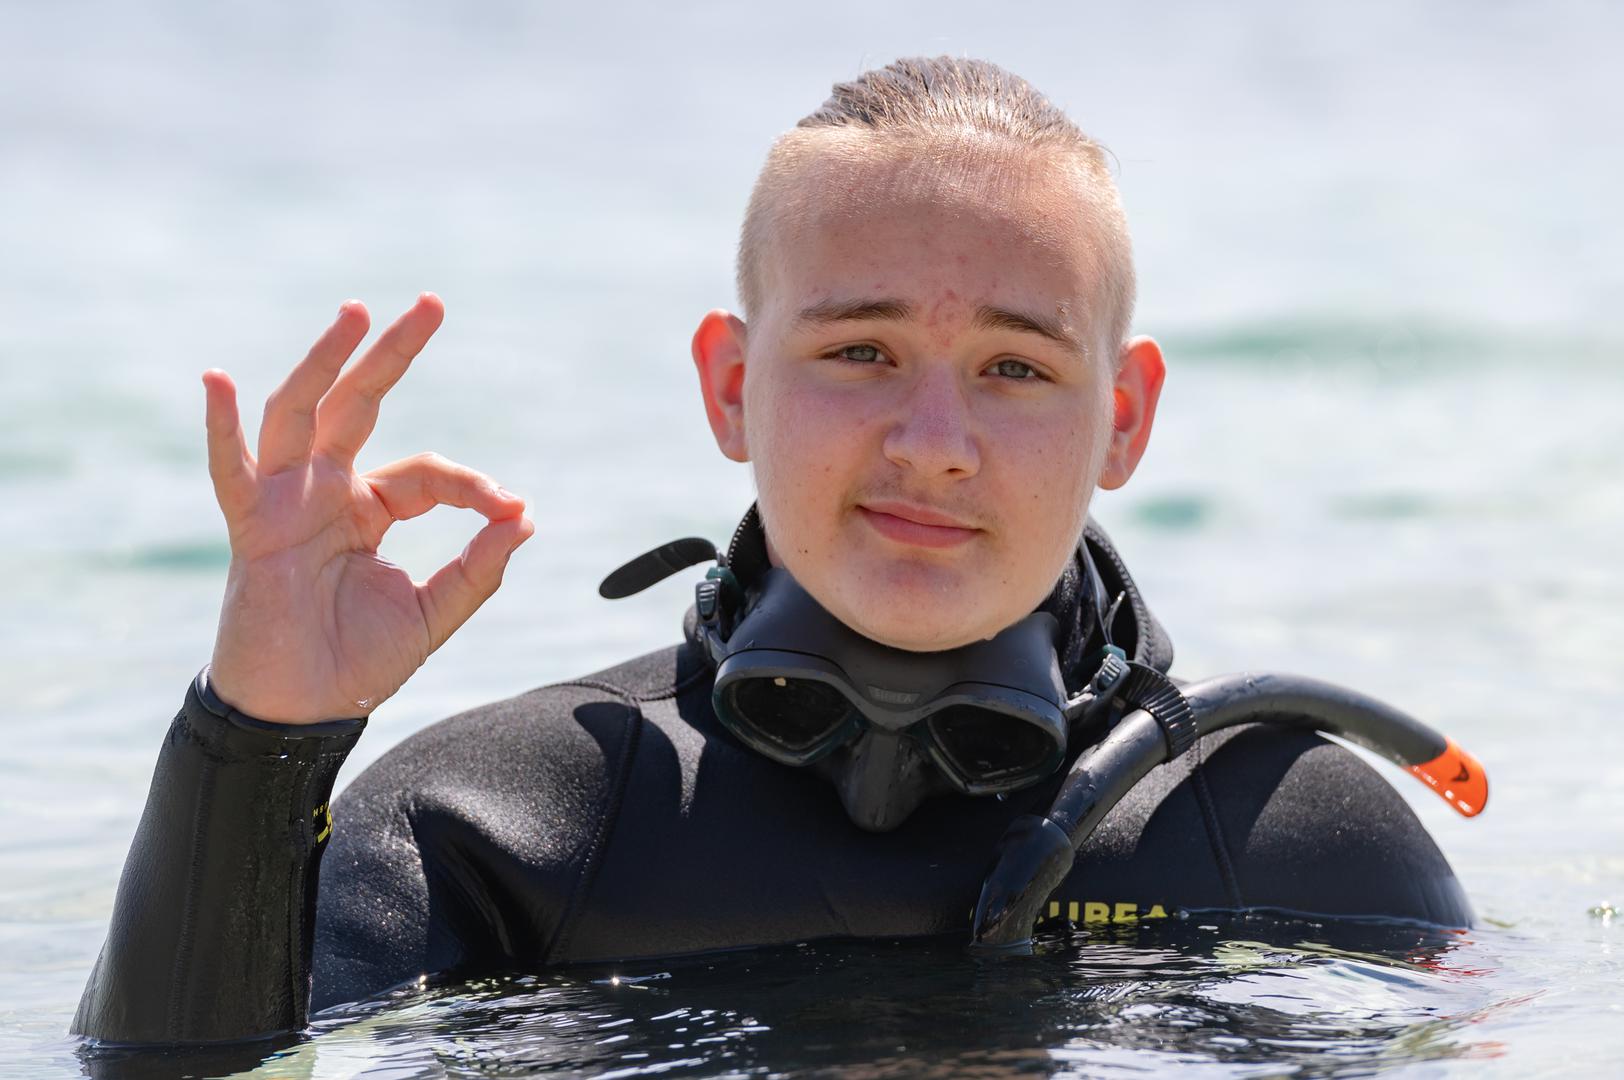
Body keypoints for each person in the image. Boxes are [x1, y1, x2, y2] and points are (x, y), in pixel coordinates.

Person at [72, 57, 1473, 1048]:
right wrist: (258, 739)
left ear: (1123, 418)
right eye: (861, 351)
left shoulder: (1303, 841)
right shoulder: (498, 827)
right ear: (730, 385)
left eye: (1014, 369)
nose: (934, 441)